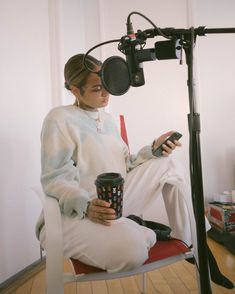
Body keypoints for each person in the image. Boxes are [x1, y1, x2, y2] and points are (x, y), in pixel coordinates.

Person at [36, 54, 233, 289]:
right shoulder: (60, 118)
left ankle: (193, 242)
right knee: (133, 250)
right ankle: (142, 231)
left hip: (116, 201)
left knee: (169, 164)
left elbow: (125, 164)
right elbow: (55, 177)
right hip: (79, 212)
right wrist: (86, 206)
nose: (106, 93)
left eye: (107, 85)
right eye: (97, 88)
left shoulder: (108, 120)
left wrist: (154, 149)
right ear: (75, 90)